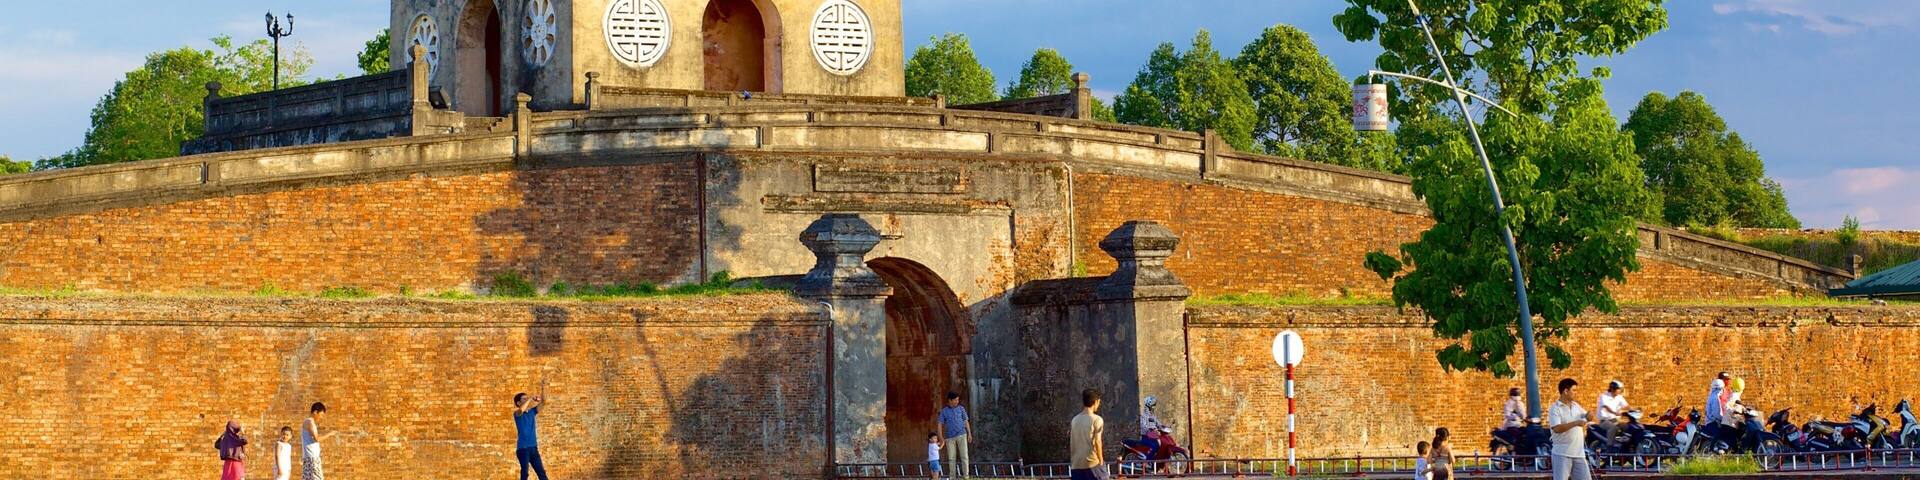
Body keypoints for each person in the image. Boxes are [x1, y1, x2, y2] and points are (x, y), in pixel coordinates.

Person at [1547, 378, 1594, 480]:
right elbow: (1557, 428)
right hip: (1562, 453)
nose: (1576, 393)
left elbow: (1587, 417)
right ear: (1566, 391)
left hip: (1579, 454)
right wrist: (1575, 423)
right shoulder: (1555, 408)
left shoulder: (1576, 406)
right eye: (1574, 390)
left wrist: (1589, 415)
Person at [514, 380, 552, 480]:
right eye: (524, 399)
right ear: (518, 403)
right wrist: (530, 398)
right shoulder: (517, 414)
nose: (527, 400)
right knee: (525, 474)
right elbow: (521, 409)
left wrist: (543, 388)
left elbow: (544, 402)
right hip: (523, 449)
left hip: (533, 448)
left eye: (527, 398)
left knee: (542, 474)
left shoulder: (532, 412)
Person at [1070, 388, 1109, 480]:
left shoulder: (1074, 420)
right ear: (1096, 401)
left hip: (1076, 465)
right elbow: (1097, 441)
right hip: (1092, 463)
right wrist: (1101, 461)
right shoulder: (1097, 419)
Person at [937, 391, 972, 479]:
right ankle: (952, 477)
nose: (957, 401)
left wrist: (969, 433)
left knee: (964, 456)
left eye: (958, 400)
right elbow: (940, 424)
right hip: (950, 437)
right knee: (952, 458)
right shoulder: (944, 411)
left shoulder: (961, 409)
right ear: (950, 400)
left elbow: (965, 421)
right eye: (955, 400)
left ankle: (966, 476)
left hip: (962, 435)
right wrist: (941, 437)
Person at [301, 402, 337, 480]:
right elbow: (317, 439)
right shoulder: (310, 422)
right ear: (315, 412)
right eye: (321, 415)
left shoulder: (307, 422)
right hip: (312, 458)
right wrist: (329, 434)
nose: (321, 417)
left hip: (309, 457)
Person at [1595, 381, 1629, 446]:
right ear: (1613, 389)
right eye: (1618, 389)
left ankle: (1623, 444)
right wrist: (1614, 412)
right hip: (1604, 421)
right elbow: (1606, 407)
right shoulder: (1604, 396)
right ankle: (1609, 446)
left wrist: (1635, 409)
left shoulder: (1619, 397)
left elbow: (1626, 406)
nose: (1620, 391)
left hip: (1615, 420)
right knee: (1613, 428)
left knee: (1626, 426)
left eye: (1620, 389)